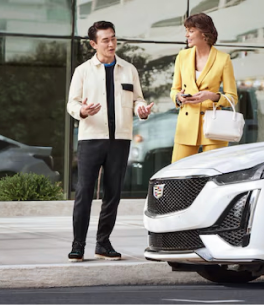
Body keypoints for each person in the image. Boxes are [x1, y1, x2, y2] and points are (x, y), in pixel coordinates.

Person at [66, 21, 153, 262]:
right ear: (94, 44)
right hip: (91, 139)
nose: (111, 43)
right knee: (84, 192)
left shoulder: (129, 69)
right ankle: (78, 245)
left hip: (120, 139)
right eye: (105, 40)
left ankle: (103, 243)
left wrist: (142, 109)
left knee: (113, 193)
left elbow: (137, 99)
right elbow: (72, 103)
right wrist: (83, 111)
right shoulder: (82, 71)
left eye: (113, 38)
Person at [170, 13, 238, 162]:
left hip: (213, 125)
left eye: (191, 30)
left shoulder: (223, 59)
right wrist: (178, 97)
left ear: (204, 33)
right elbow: (174, 89)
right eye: (186, 30)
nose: (187, 35)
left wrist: (211, 96)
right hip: (186, 125)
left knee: (212, 173)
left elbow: (232, 97)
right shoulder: (182, 56)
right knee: (178, 173)